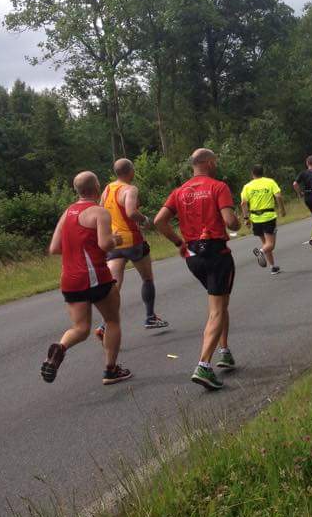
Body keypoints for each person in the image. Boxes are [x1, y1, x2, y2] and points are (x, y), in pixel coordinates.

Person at [153, 148, 241, 391]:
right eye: (215, 161)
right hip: (216, 253)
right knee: (217, 309)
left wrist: (178, 242)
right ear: (209, 163)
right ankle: (204, 365)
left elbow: (159, 221)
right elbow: (230, 221)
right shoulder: (218, 187)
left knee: (219, 302)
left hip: (193, 256)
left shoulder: (179, 191)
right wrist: (237, 222)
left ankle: (225, 351)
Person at [42, 171, 132, 386]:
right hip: (95, 276)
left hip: (70, 279)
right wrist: (116, 240)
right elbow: (105, 244)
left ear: (77, 190)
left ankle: (60, 348)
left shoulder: (67, 212)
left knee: (80, 329)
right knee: (112, 321)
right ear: (97, 187)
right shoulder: (99, 212)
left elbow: (54, 248)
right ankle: (111, 370)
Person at [94, 159, 168, 343]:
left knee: (114, 286)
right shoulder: (130, 189)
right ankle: (150, 317)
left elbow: (101, 211)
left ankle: (104, 325)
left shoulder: (107, 189)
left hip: (114, 242)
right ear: (131, 171)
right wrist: (145, 220)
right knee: (147, 278)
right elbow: (131, 212)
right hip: (133, 241)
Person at [241, 164, 286, 275]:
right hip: (268, 216)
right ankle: (261, 252)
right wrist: (282, 209)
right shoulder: (270, 182)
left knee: (265, 243)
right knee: (270, 245)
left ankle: (273, 267)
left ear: (252, 173)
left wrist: (246, 218)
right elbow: (278, 196)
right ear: (263, 172)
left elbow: (243, 203)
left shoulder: (247, 186)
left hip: (255, 218)